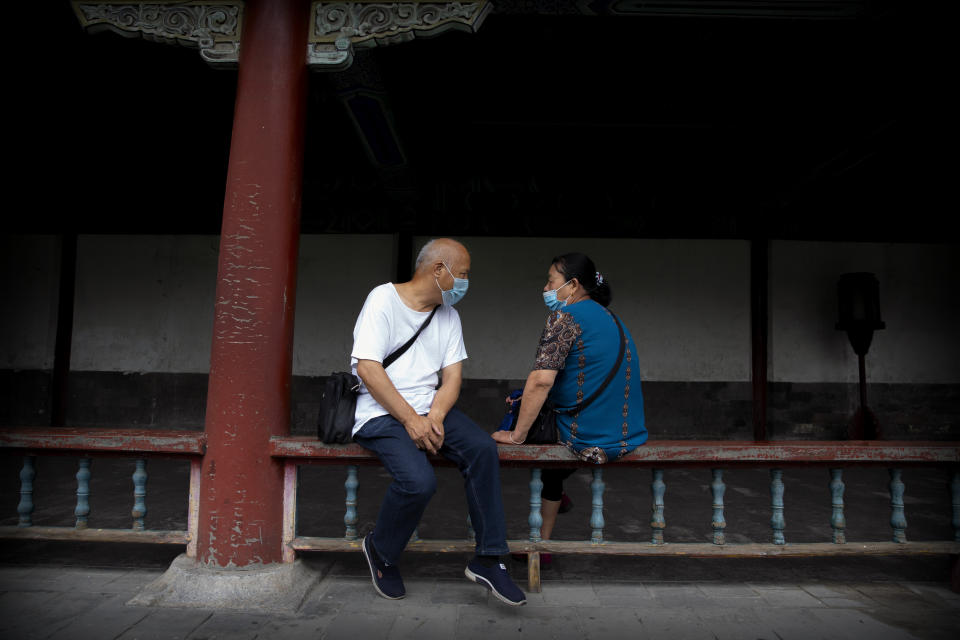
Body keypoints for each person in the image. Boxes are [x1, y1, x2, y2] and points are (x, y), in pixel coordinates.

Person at [350, 238, 526, 606]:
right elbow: (368, 367)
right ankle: (381, 551)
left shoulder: (449, 315)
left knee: (481, 449)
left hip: (429, 411)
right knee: (418, 482)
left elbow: (452, 379)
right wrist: (411, 419)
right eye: (462, 274)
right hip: (382, 413)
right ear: (438, 270)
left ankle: (489, 558)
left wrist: (435, 416)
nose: (465, 283)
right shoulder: (382, 300)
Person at [492, 252, 647, 553]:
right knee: (528, 401)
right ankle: (546, 537)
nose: (546, 289)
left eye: (551, 282)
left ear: (573, 285)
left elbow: (541, 380)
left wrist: (516, 435)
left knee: (519, 414)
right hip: (626, 431)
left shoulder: (564, 318)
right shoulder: (612, 318)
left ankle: (542, 542)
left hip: (588, 434)